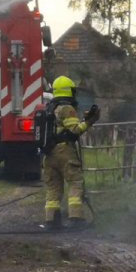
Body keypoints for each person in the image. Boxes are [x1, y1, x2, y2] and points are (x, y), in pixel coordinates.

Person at [42, 75, 99, 230]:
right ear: (70, 91)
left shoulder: (50, 108)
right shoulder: (67, 109)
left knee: (54, 187)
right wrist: (88, 122)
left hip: (49, 154)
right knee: (75, 182)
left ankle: (51, 221)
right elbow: (74, 131)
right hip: (64, 151)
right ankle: (75, 218)